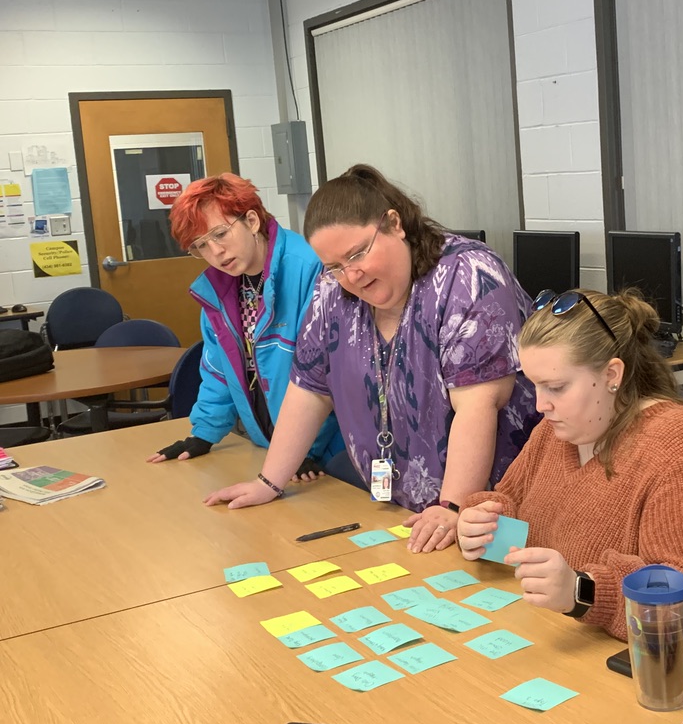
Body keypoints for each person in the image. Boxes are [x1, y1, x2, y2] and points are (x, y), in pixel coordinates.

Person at [203, 164, 540, 554]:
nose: (352, 275)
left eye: (358, 253)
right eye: (335, 266)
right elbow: (310, 389)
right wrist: (269, 482)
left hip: (490, 512)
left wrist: (452, 506)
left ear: (394, 224)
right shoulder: (332, 291)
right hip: (407, 513)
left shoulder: (466, 275)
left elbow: (479, 404)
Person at [456, 289, 683, 658]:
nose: (541, 405)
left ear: (612, 375)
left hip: (682, 669)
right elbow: (511, 502)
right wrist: (482, 523)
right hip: (574, 640)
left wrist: (581, 591)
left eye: (556, 387)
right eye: (533, 384)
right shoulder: (559, 430)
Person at [149, 173, 344, 473]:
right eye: (200, 246)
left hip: (329, 451)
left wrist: (303, 448)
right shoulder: (220, 292)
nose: (215, 253)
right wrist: (203, 433)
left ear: (251, 221)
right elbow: (218, 371)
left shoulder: (310, 268)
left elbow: (327, 375)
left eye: (220, 234)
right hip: (274, 449)